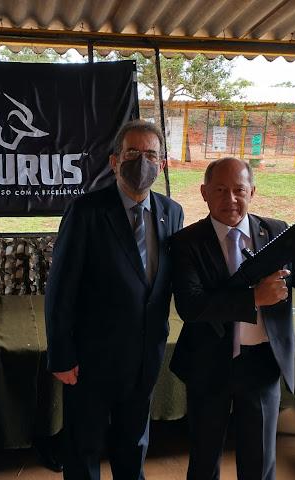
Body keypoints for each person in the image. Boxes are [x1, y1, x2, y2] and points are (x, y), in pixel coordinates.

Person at [170, 157, 295, 480]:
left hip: (263, 363)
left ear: (252, 192)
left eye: (239, 190)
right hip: (208, 363)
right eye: (220, 190)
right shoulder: (185, 242)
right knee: (204, 460)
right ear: (204, 192)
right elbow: (191, 307)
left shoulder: (278, 233)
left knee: (259, 464)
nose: (231, 199)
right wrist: (253, 299)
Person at [44, 119, 184, 480]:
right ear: (114, 161)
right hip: (91, 358)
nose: (142, 161)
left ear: (162, 163)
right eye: (133, 152)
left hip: (144, 355)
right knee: (83, 447)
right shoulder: (86, 211)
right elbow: (60, 288)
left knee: (133, 445)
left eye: (150, 154)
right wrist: (61, 354)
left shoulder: (172, 212)